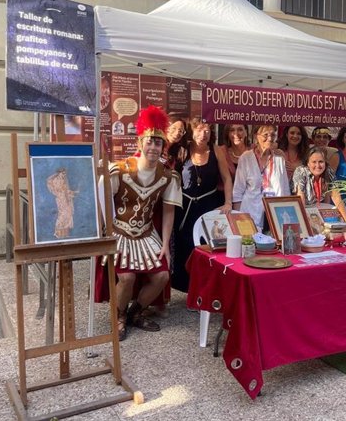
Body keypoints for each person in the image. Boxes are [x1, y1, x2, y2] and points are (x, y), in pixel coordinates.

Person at [95, 105, 182, 341]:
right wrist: (107, 233)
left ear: (163, 146)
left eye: (158, 142)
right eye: (150, 141)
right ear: (140, 143)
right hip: (120, 232)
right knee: (127, 277)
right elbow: (102, 200)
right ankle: (119, 316)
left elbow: (168, 212)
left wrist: (165, 244)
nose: (153, 147)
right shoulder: (120, 170)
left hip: (146, 233)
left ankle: (135, 312)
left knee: (162, 276)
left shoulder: (168, 176)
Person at [172, 119, 233, 292]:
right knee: (185, 246)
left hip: (209, 205)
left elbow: (227, 178)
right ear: (192, 132)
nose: (204, 133)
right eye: (199, 129)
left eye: (207, 130)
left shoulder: (216, 150)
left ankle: (206, 289)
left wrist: (228, 202)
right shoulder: (182, 150)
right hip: (185, 207)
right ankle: (186, 288)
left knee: (206, 247)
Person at [233, 124, 290, 229]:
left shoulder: (279, 159)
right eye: (265, 135)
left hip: (274, 216)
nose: (270, 138)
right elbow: (237, 192)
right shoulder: (246, 158)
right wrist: (238, 218)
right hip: (250, 214)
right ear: (256, 136)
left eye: (273, 135)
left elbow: (285, 191)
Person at [292, 147, 346, 222]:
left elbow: (337, 198)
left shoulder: (329, 171)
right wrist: (303, 222)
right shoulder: (300, 171)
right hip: (299, 210)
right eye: (314, 162)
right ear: (308, 163)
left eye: (321, 162)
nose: (318, 165)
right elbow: (301, 198)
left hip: (316, 210)